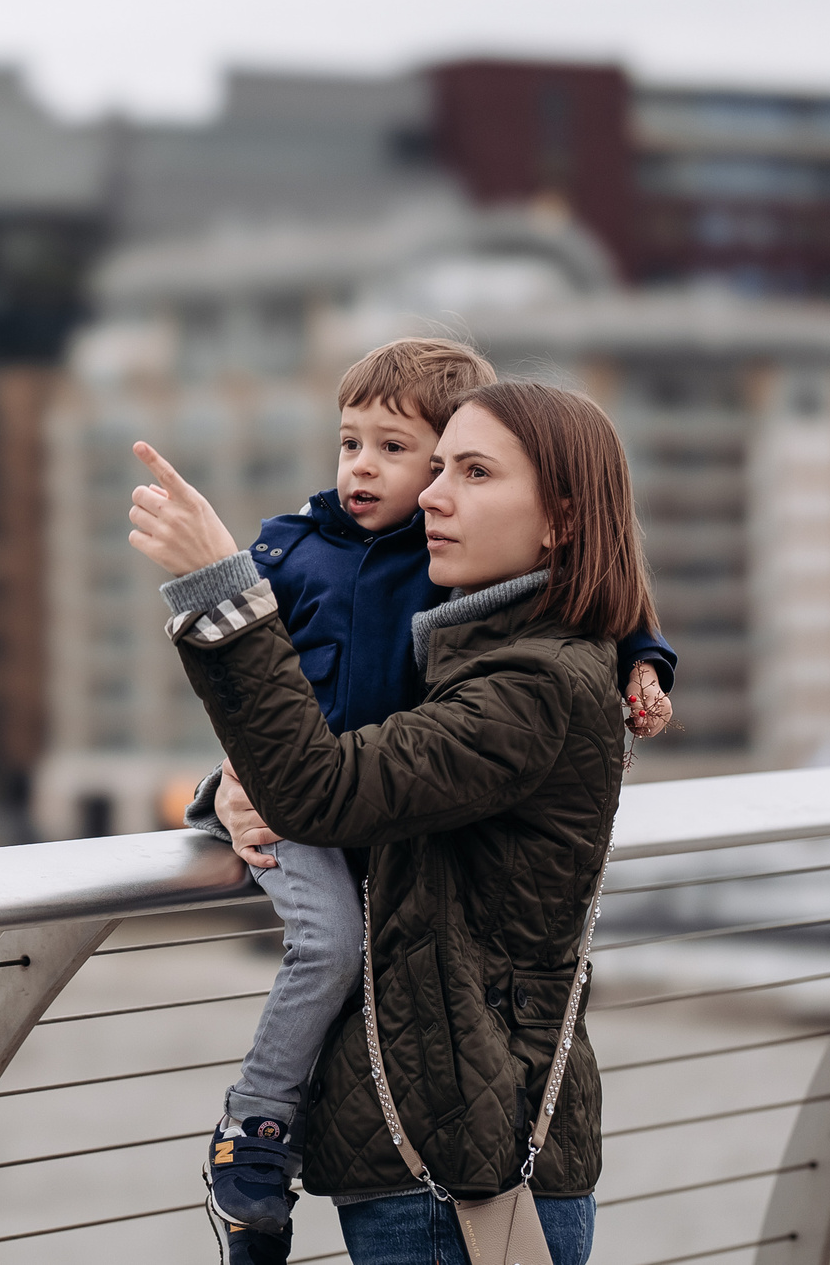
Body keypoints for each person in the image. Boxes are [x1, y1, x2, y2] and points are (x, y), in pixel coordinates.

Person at [127, 339, 671, 1258]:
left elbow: (329, 786)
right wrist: (232, 790)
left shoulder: (526, 686)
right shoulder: (470, 655)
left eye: (473, 471)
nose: (428, 493)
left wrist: (218, 587)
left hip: (458, 1174)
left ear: (559, 522)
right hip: (436, 1154)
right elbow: (371, 768)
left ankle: (251, 1138)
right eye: (440, 467)